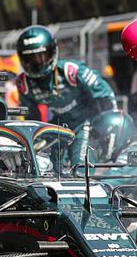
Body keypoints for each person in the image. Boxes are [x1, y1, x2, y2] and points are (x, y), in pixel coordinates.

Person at [15, 25, 116, 165]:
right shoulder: (23, 83)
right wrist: (36, 141)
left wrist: (108, 127)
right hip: (59, 125)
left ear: (52, 52)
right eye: (30, 58)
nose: (37, 62)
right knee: (45, 166)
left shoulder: (72, 71)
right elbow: (31, 118)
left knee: (81, 167)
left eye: (41, 56)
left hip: (86, 123)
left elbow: (105, 96)